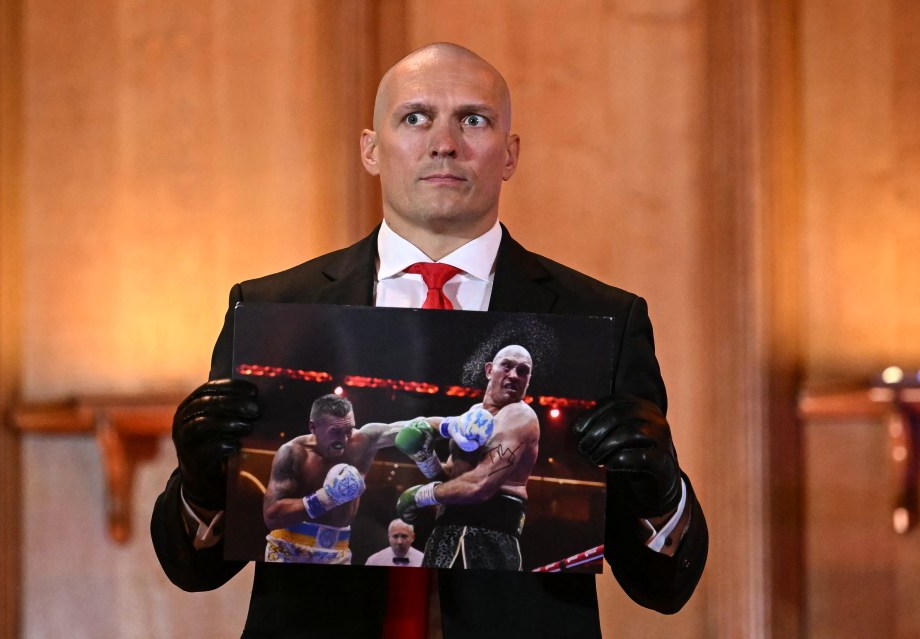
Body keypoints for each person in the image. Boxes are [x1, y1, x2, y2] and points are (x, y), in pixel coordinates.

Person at [151, 42, 708, 639]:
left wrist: (661, 490)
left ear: (510, 154)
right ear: (371, 148)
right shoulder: (272, 312)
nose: (445, 142)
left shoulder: (602, 321)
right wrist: (201, 478)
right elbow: (195, 571)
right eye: (415, 117)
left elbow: (664, 588)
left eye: (474, 119)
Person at [262, 393, 494, 564]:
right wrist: (326, 497)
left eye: (348, 430)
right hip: (288, 548)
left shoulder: (362, 441)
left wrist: (455, 424)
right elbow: (272, 516)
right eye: (335, 431)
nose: (344, 439)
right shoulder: (292, 453)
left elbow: (413, 425)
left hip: (337, 550)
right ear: (313, 427)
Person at [396, 345, 538, 570]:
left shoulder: (520, 415)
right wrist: (425, 458)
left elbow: (479, 485)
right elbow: (453, 481)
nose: (514, 375)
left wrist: (419, 496)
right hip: (445, 532)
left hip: (489, 534)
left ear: (528, 380)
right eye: (507, 366)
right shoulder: (470, 416)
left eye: (523, 371)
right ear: (490, 370)